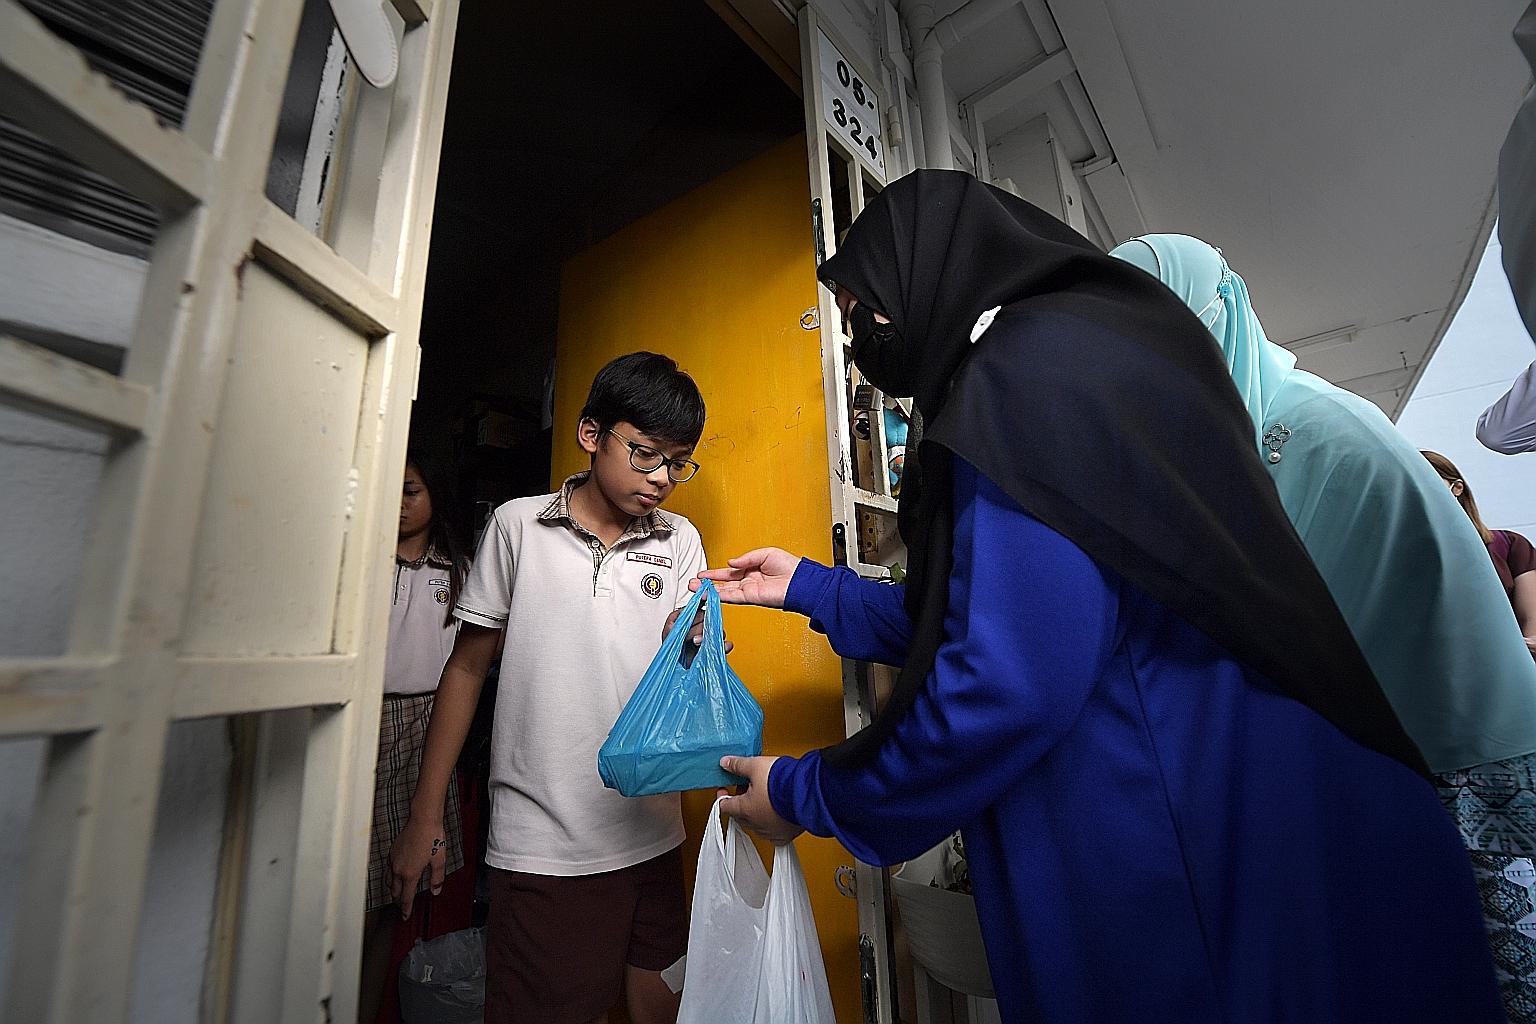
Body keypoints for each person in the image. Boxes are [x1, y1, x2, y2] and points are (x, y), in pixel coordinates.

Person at [702, 170, 1502, 1024]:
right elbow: (1027, 612)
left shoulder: (1021, 383)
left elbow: (1005, 681)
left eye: (869, 307)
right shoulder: (1089, 355)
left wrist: (804, 794)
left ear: (929, 270)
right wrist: (813, 587)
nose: (863, 334)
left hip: (1195, 862)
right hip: (1286, 833)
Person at [389, 352, 708, 1024]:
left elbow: (679, 677)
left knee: (661, 1004)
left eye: (679, 463)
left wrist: (697, 647)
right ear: (591, 435)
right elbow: (468, 668)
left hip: (654, 831)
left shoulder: (679, 538)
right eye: (646, 454)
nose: (661, 480)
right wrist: (425, 816)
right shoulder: (518, 527)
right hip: (547, 845)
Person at [359, 452, 469, 1024]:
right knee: (358, 890)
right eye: (392, 492)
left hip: (431, 723)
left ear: (436, 496)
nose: (401, 506)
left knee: (397, 895)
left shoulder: (458, 569)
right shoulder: (361, 559)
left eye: (412, 492)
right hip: (365, 718)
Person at [1424, 450, 1536, 652]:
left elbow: (1532, 623)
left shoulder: (1509, 545)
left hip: (1508, 668)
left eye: (1427, 480)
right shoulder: (1399, 556)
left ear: (1457, 488)